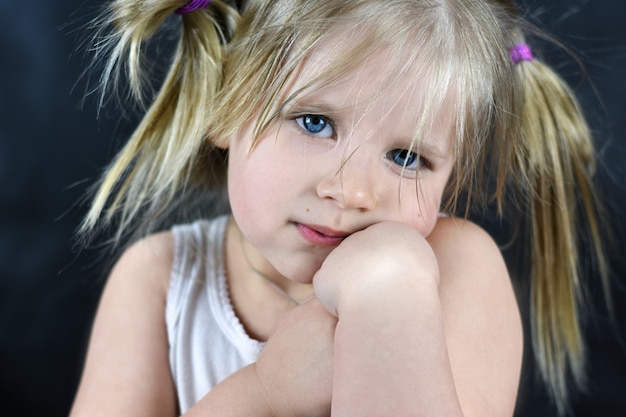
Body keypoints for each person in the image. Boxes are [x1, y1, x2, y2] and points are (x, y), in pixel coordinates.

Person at [69, 0, 608, 416]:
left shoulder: (456, 272)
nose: (352, 191)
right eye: (314, 122)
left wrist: (390, 290)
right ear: (226, 105)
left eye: (406, 156)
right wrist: (266, 393)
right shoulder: (160, 281)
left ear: (454, 176)